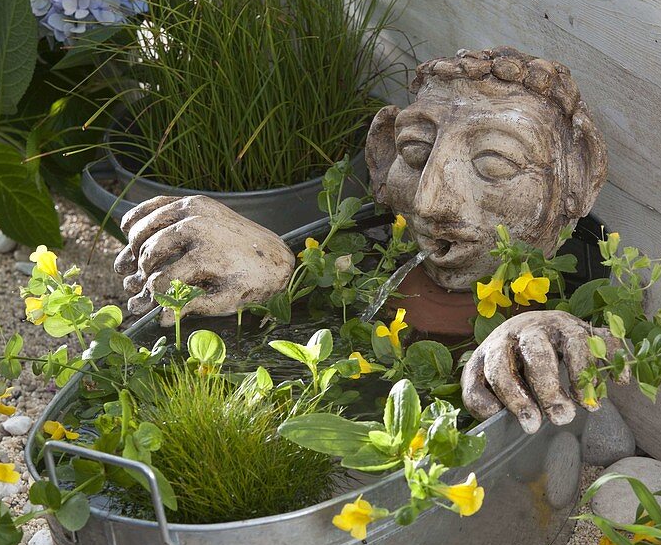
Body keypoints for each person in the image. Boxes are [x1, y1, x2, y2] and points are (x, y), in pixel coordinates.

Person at [114, 47, 626, 432]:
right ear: (381, 158)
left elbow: (614, 340)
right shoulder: (366, 269)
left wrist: (546, 328)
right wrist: (279, 273)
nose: (431, 201)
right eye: (415, 151)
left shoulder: (557, 287)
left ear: (575, 181)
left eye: (494, 164)